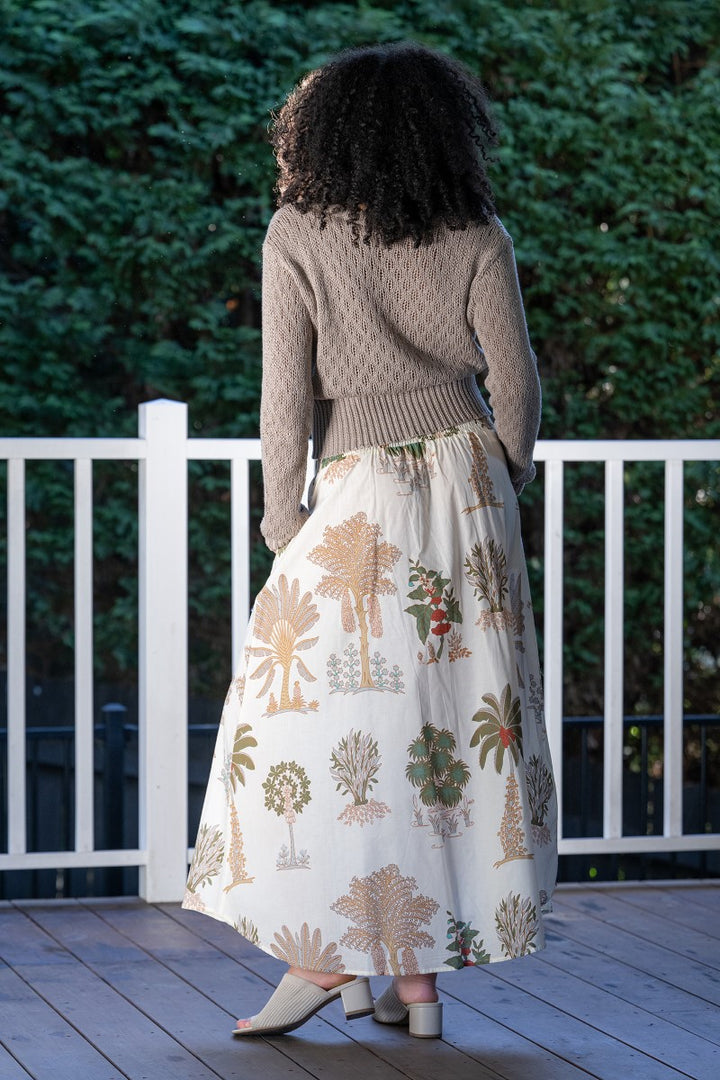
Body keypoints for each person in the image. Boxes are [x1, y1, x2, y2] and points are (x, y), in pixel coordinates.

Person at [184, 40, 558, 1040]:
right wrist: (499, 476)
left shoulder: (296, 231)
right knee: (450, 718)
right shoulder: (475, 226)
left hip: (360, 489)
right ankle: (414, 977)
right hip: (467, 481)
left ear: (333, 133)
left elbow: (284, 400)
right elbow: (516, 379)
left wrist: (282, 519)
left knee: (324, 723)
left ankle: (325, 956)